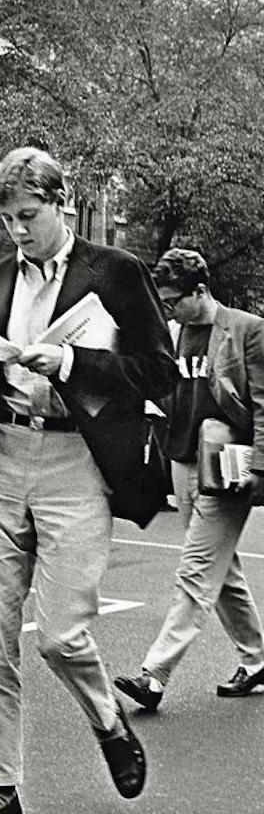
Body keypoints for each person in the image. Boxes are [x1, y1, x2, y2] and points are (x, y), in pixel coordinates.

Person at [0, 147, 178, 814]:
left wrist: (70, 361)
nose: (17, 232)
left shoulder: (115, 273)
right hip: (0, 456)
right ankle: (0, 790)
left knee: (62, 636)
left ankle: (108, 721)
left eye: (27, 216)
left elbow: (159, 374)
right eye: (5, 219)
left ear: (61, 202)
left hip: (74, 462)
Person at [115, 248, 264, 711]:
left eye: (175, 300)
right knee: (223, 569)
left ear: (200, 290)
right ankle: (258, 659)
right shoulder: (172, 333)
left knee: (196, 571)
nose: (169, 309)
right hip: (181, 458)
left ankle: (154, 675)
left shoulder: (247, 329)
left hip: (228, 463)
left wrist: (260, 466)